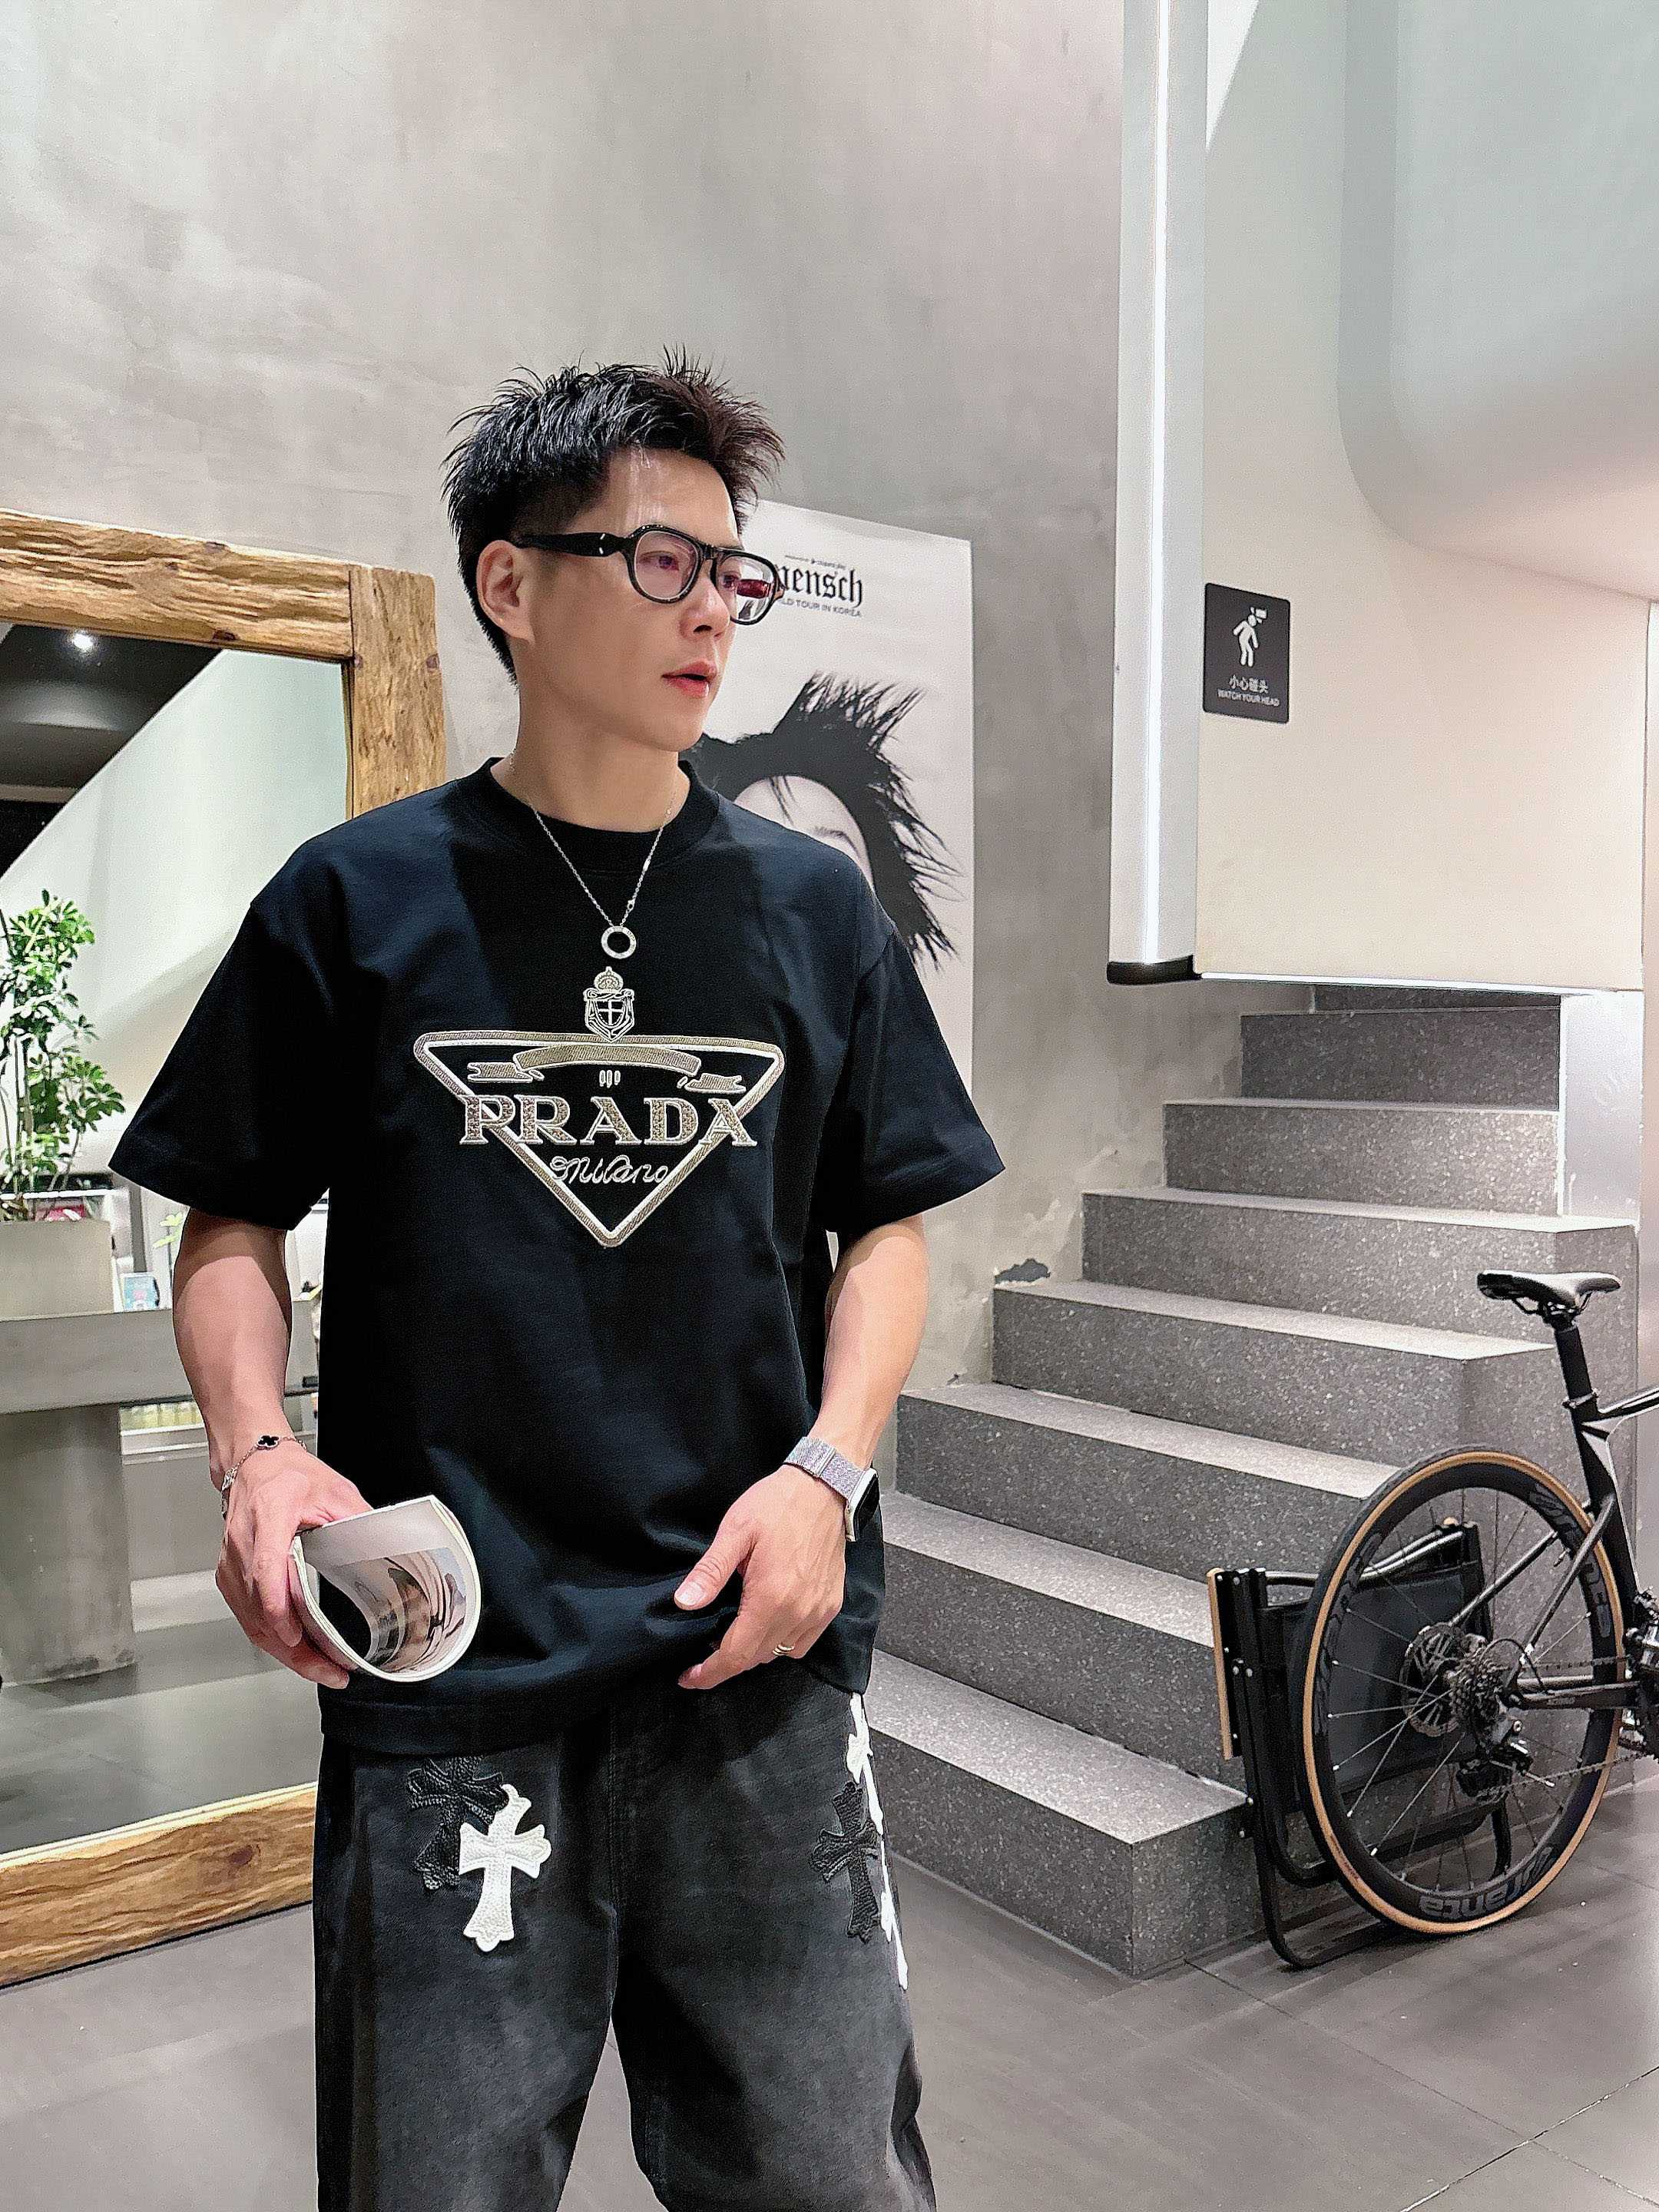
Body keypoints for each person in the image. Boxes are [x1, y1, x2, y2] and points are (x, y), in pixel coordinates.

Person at [109, 345, 1006, 2212]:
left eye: (733, 572)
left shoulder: (813, 910)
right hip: (451, 1673)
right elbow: (228, 1221)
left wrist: (829, 1471)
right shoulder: (355, 901)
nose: (714, 612)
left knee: (834, 2181)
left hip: (753, 1666)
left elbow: (891, 1225)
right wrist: (258, 1454)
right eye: (662, 562)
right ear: (512, 583)